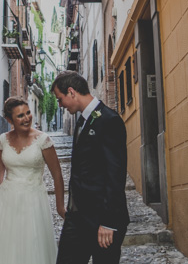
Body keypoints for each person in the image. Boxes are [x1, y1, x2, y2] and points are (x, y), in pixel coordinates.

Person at [51, 71, 130, 264]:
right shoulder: (82, 121)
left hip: (102, 220)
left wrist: (108, 222)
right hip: (77, 219)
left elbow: (116, 175)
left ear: (71, 92)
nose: (60, 105)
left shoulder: (109, 120)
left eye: (60, 99)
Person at [0, 96, 66, 263]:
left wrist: (60, 207)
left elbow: (57, 175)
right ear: (9, 120)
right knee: (5, 247)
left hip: (33, 201)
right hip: (6, 201)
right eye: (20, 116)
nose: (27, 118)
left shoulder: (43, 140)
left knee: (31, 246)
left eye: (28, 113)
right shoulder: (3, 140)